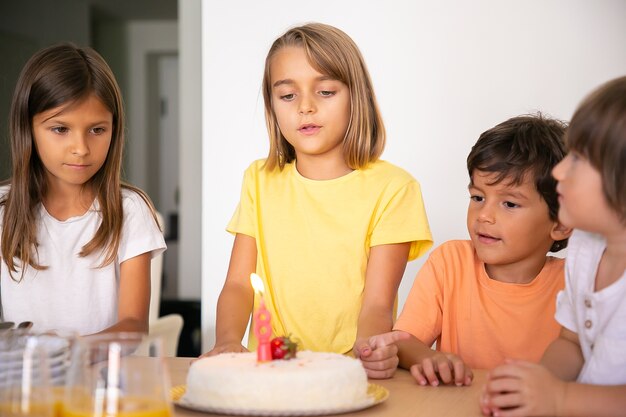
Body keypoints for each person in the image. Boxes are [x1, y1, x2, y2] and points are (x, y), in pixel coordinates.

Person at [203, 23, 432, 378]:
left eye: (325, 91)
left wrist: (368, 354)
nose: (306, 107)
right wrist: (228, 341)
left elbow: (376, 303)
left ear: (356, 97)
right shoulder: (258, 181)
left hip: (348, 374)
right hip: (271, 373)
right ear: (272, 105)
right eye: (288, 95)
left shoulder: (395, 189)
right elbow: (237, 284)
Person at [390, 115, 571, 386]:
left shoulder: (574, 283)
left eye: (510, 204)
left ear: (560, 224)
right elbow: (403, 341)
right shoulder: (449, 263)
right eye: (478, 197)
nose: (483, 215)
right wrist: (427, 358)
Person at [481, 77, 626, 416]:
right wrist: (533, 389)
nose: (559, 171)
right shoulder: (585, 248)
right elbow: (571, 343)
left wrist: (561, 399)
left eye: (578, 159)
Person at [0, 43, 166, 336]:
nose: (81, 149)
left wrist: (67, 352)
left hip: (100, 379)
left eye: (97, 130)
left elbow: (133, 327)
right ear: (27, 128)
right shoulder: (3, 209)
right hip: (21, 380)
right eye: (60, 129)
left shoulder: (130, 210)